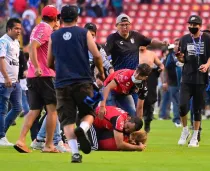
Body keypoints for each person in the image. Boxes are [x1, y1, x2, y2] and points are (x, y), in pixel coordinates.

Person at [47, 5, 105, 163]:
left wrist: (59, 70)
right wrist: (101, 71)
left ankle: (75, 153)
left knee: (67, 120)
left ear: (60, 18)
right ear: (77, 18)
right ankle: (84, 128)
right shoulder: (84, 33)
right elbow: (97, 55)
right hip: (83, 81)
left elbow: (49, 62)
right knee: (89, 112)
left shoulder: (54, 36)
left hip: (62, 84)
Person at [14, 5, 60, 153]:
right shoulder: (46, 29)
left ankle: (21, 140)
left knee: (34, 110)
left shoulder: (37, 28)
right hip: (44, 75)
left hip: (33, 77)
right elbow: (33, 46)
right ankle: (48, 145)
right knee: (52, 110)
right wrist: (37, 65)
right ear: (55, 18)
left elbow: (33, 45)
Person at [176, 15, 210, 147]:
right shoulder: (184, 39)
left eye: (195, 25)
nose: (192, 27)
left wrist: (207, 65)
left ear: (200, 25)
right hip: (187, 77)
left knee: (197, 109)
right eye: (190, 25)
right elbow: (182, 59)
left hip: (200, 79)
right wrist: (180, 57)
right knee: (182, 106)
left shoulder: (207, 39)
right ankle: (185, 130)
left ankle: (195, 136)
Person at [104, 13, 168, 71]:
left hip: (133, 74)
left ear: (130, 25)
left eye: (126, 24)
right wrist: (110, 68)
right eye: (122, 25)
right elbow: (105, 53)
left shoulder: (135, 35)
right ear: (116, 26)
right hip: (119, 73)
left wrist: (161, 43)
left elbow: (150, 41)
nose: (124, 27)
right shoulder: (112, 38)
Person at [0, 18, 22, 146]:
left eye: (19, 28)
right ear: (9, 29)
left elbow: (14, 61)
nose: (18, 31)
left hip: (15, 82)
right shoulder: (3, 41)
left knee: (18, 108)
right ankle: (1, 136)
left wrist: (16, 78)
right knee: (2, 109)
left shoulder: (16, 42)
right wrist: (6, 77)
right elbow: (1, 60)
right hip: (4, 81)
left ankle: (2, 133)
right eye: (16, 29)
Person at [139, 46, 163, 132]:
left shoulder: (151, 54)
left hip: (150, 78)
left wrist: (160, 68)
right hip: (136, 78)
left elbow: (160, 64)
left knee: (149, 102)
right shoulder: (133, 53)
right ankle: (137, 124)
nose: (141, 45)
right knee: (137, 102)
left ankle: (147, 122)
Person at [162, 40, 182, 128]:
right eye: (176, 44)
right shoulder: (170, 56)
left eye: (178, 44)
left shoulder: (186, 54)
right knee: (176, 101)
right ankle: (177, 119)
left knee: (185, 102)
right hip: (174, 83)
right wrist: (165, 81)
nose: (176, 46)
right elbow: (165, 69)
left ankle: (190, 120)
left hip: (186, 82)